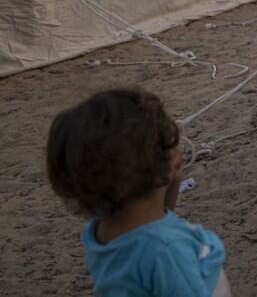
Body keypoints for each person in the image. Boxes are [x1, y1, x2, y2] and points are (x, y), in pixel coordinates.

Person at [46, 88, 230, 296]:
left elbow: (159, 213)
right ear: (156, 167)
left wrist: (171, 179)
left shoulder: (104, 226)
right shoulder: (167, 251)